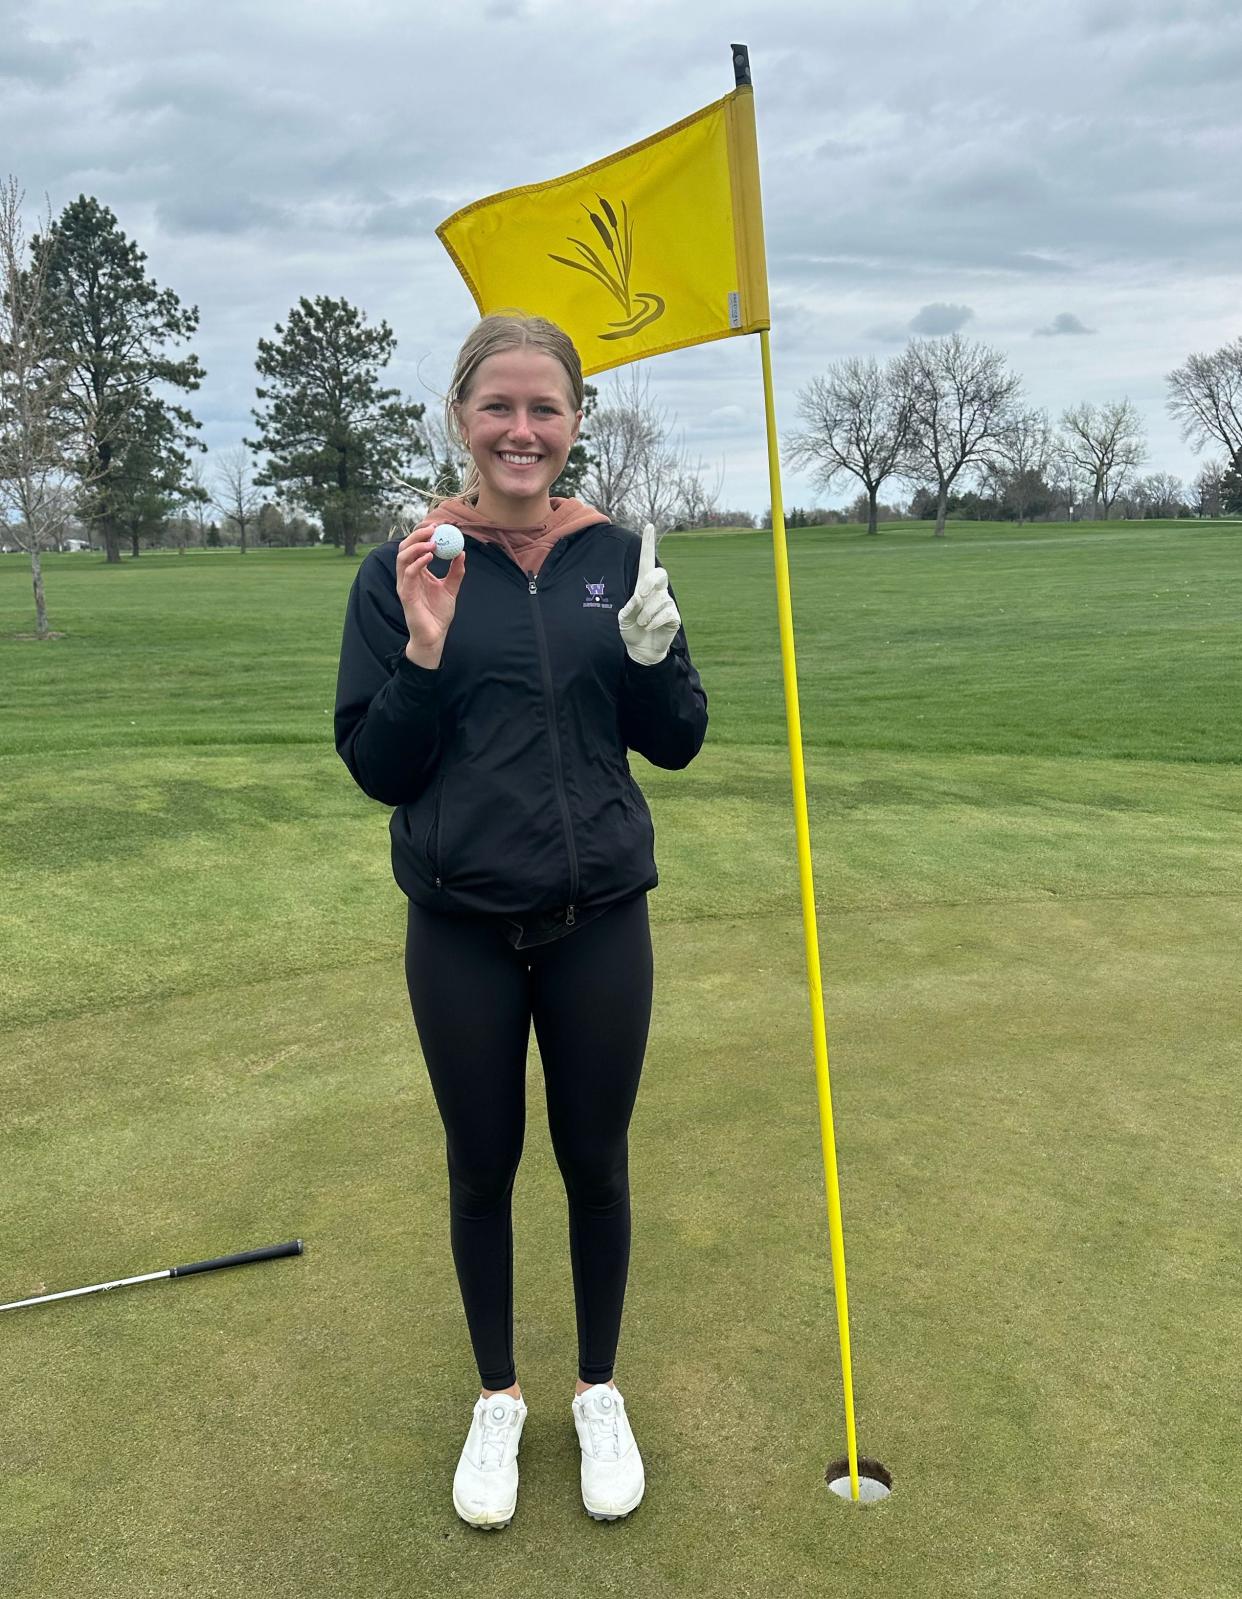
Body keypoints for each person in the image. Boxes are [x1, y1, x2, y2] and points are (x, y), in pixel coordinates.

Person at [333, 312, 708, 1530]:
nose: (522, 430)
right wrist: (426, 658)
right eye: (499, 406)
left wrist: (653, 654)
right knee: (481, 1168)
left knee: (595, 1164)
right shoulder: (411, 563)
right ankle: (498, 1399)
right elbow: (380, 769)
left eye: (547, 408)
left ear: (575, 423)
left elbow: (679, 739)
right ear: (460, 417)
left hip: (601, 915)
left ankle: (598, 1391)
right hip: (461, 930)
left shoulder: (616, 556)